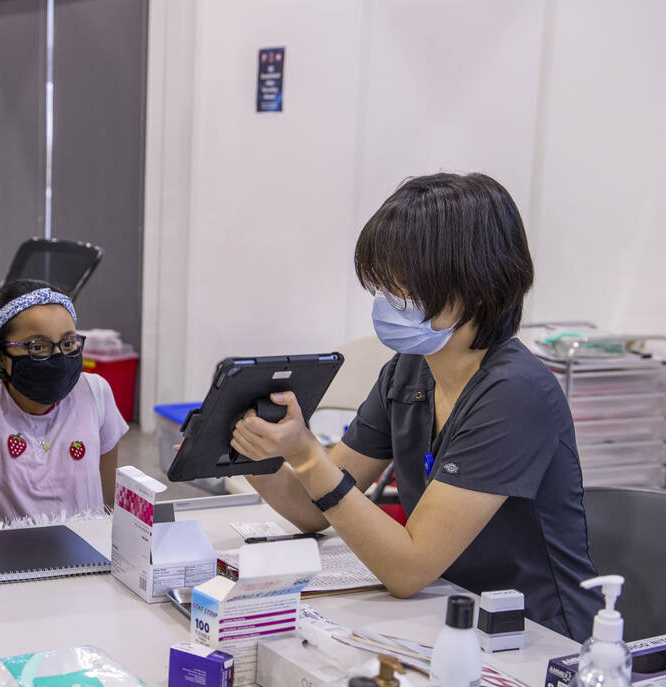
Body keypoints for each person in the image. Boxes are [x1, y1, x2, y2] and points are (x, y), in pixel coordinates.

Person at [233, 173, 599, 641]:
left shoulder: (515, 393)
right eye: (382, 285)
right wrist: (257, 453)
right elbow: (314, 509)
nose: (388, 302)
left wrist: (307, 456)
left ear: (481, 289)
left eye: (405, 287)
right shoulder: (410, 371)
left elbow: (407, 570)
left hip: (537, 639)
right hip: (445, 611)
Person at [0, 280, 129, 531]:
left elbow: (111, 506)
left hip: (84, 559)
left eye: (68, 343)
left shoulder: (96, 393)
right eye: (38, 347)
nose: (58, 357)